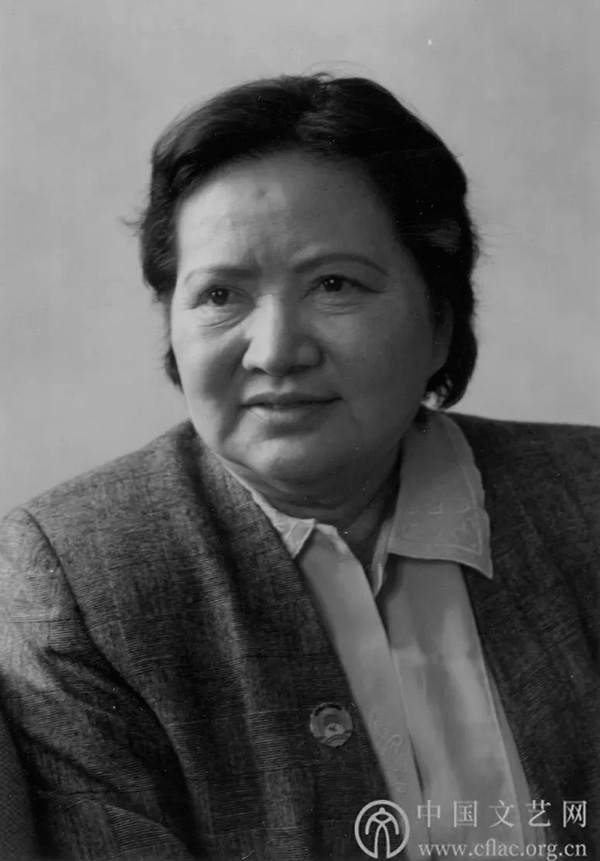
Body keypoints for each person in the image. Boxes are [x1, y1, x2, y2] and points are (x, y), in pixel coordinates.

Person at [0, 73, 598, 861]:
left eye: (334, 284)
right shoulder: (78, 580)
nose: (277, 350)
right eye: (220, 294)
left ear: (440, 321)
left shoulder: (586, 496)